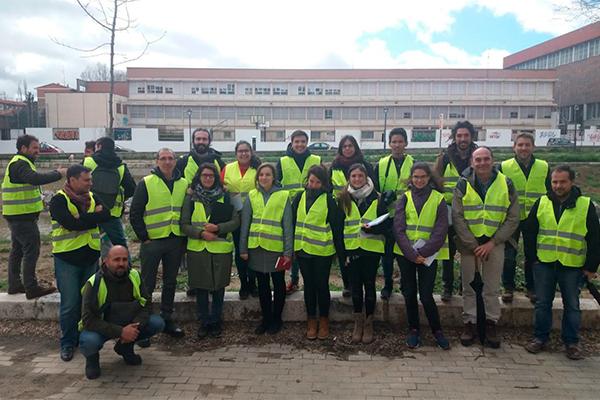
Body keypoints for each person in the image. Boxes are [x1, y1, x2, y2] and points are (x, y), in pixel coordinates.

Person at [523, 165, 600, 360]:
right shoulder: (542, 202)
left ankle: (572, 342)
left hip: (572, 265)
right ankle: (540, 338)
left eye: (562, 182)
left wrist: (591, 267)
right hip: (545, 263)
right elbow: (530, 232)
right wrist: (532, 259)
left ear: (572, 182)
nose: (558, 186)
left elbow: (595, 238)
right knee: (542, 304)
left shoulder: (585, 204)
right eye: (554, 182)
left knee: (572, 305)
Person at [453, 147, 519, 348]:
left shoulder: (506, 183)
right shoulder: (463, 184)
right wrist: (473, 244)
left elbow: (513, 217)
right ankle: (470, 323)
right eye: (478, 159)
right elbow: (457, 216)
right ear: (472, 163)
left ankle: (490, 322)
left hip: (494, 243)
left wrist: (492, 242)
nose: (482, 163)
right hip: (469, 245)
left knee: (491, 287)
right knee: (469, 287)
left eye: (486, 159)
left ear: (492, 160)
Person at [49, 165, 110, 362]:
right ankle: (67, 343)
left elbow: (107, 215)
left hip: (90, 257)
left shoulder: (93, 196)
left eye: (90, 180)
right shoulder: (59, 200)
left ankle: (86, 339)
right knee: (70, 304)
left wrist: (82, 217)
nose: (90, 183)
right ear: (73, 180)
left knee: (88, 303)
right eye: (86, 180)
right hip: (67, 259)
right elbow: (70, 224)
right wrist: (93, 217)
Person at [79, 246, 165, 380]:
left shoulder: (134, 276)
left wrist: (134, 327)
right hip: (101, 326)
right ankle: (92, 360)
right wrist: (121, 332)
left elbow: (146, 304)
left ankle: (125, 348)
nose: (121, 264)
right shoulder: (94, 283)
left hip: (129, 322)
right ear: (106, 262)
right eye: (116, 260)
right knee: (89, 341)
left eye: (124, 259)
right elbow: (88, 319)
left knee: (157, 323)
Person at [130, 148, 187, 339]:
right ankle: (144, 324)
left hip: (175, 240)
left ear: (175, 161)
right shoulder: (146, 183)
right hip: (153, 241)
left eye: (171, 158)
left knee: (170, 282)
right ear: (157, 161)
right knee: (147, 283)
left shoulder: (183, 183)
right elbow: (135, 213)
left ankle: (167, 318)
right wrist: (144, 236)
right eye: (163, 158)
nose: (167, 162)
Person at [2, 134, 66, 299]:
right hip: (21, 216)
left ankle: (15, 285)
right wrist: (58, 174)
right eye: (34, 148)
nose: (38, 151)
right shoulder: (21, 164)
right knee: (31, 250)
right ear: (23, 148)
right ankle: (31, 287)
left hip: (17, 215)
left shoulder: (20, 163)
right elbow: (34, 179)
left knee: (17, 250)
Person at [393, 163, 450, 350]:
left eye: (422, 177)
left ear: (429, 178)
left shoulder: (438, 199)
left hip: (428, 255)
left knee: (426, 295)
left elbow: (441, 230)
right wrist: (411, 254)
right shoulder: (404, 198)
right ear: (411, 178)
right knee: (409, 293)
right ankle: (414, 329)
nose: (419, 180)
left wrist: (423, 253)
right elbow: (399, 229)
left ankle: (437, 330)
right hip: (406, 254)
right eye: (415, 177)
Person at [181, 163, 240, 339]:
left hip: (220, 248)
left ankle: (215, 321)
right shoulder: (190, 198)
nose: (207, 178)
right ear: (199, 177)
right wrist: (201, 233)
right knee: (201, 288)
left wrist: (218, 227)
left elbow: (236, 221)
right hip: (198, 249)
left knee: (218, 287)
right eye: (204, 175)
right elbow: (184, 224)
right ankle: (204, 322)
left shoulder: (227, 196)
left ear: (216, 178)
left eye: (211, 176)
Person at [337, 164, 388, 344]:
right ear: (349, 178)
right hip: (351, 248)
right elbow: (339, 226)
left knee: (369, 284)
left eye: (360, 176)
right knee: (355, 287)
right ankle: (357, 322)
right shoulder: (343, 198)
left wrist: (374, 228)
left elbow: (387, 224)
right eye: (353, 176)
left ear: (366, 177)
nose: (357, 179)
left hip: (371, 249)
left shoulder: (378, 198)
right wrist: (342, 253)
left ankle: (368, 323)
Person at [239, 163, 293, 335]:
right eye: (261, 174)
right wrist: (243, 249)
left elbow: (288, 227)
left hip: (276, 249)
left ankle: (277, 318)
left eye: (267, 174)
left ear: (273, 177)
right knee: (262, 285)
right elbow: (245, 224)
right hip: (256, 248)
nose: (264, 177)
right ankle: (266, 318)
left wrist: (287, 252)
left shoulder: (284, 196)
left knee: (278, 284)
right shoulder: (251, 195)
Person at [292, 165, 344, 340]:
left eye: (317, 182)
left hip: (322, 251)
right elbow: (292, 223)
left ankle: (324, 320)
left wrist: (341, 254)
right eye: (311, 181)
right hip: (302, 250)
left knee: (322, 286)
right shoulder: (299, 197)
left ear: (323, 184)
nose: (312, 185)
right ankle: (311, 320)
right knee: (309, 286)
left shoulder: (329, 200)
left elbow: (337, 227)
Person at [499, 132, 550, 303]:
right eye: (520, 145)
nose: (523, 148)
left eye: (527, 145)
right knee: (509, 255)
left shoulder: (543, 166)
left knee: (533, 254)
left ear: (533, 147)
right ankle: (508, 287)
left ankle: (532, 287)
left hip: (535, 218)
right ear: (514, 147)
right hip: (511, 217)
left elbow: (550, 190)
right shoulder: (504, 167)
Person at [434, 120, 478, 302]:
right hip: (450, 212)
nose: (462, 139)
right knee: (448, 252)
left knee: (469, 250)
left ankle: (466, 286)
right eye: (459, 135)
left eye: (466, 135)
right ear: (454, 137)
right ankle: (447, 286)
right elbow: (436, 182)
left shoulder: (478, 156)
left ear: (471, 136)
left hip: (471, 212)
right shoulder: (444, 158)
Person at [276, 130, 321, 295]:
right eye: (297, 142)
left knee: (310, 242)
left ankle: (311, 279)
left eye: (303, 141)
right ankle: (293, 280)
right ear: (292, 142)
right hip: (288, 209)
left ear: (307, 142)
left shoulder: (316, 160)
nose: (300, 145)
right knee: (290, 244)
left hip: (311, 208)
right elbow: (276, 184)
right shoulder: (282, 161)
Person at [329, 135, 375, 297]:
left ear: (355, 147)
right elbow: (329, 188)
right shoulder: (334, 167)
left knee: (362, 250)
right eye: (344, 146)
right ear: (340, 149)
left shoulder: (366, 165)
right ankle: (347, 284)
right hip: (340, 210)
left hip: (362, 210)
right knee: (343, 248)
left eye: (350, 145)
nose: (347, 149)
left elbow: (373, 188)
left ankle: (361, 283)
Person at [374, 127, 414, 300]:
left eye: (400, 142)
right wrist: (382, 197)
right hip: (387, 217)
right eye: (394, 142)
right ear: (389, 144)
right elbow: (374, 187)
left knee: (405, 252)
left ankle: (406, 285)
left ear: (406, 143)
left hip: (407, 217)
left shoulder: (413, 163)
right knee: (387, 254)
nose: (397, 145)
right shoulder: (382, 164)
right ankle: (388, 284)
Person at [83, 137, 136, 256]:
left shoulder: (88, 162)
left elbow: (77, 184)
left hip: (91, 211)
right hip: (112, 214)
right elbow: (132, 189)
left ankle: (92, 271)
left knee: (88, 244)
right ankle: (126, 270)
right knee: (120, 245)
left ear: (99, 146)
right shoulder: (120, 166)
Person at [221, 140, 260, 299]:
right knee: (240, 250)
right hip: (235, 217)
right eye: (240, 151)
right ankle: (244, 284)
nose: (243, 154)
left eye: (246, 151)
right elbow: (219, 186)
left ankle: (253, 283)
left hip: (255, 216)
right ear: (236, 153)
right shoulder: (228, 168)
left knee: (253, 250)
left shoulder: (258, 168)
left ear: (251, 152)